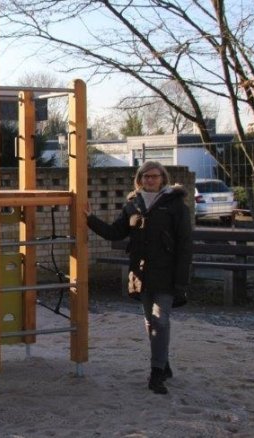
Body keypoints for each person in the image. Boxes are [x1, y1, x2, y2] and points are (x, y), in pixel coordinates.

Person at [84, 161, 192, 395]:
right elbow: (115, 232)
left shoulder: (176, 205)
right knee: (150, 322)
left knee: (160, 321)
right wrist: (90, 218)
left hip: (166, 272)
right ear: (140, 179)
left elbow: (185, 245)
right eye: (146, 176)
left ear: (162, 178)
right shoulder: (133, 204)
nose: (150, 180)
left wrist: (181, 280)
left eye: (154, 176)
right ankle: (163, 363)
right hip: (141, 272)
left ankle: (156, 373)